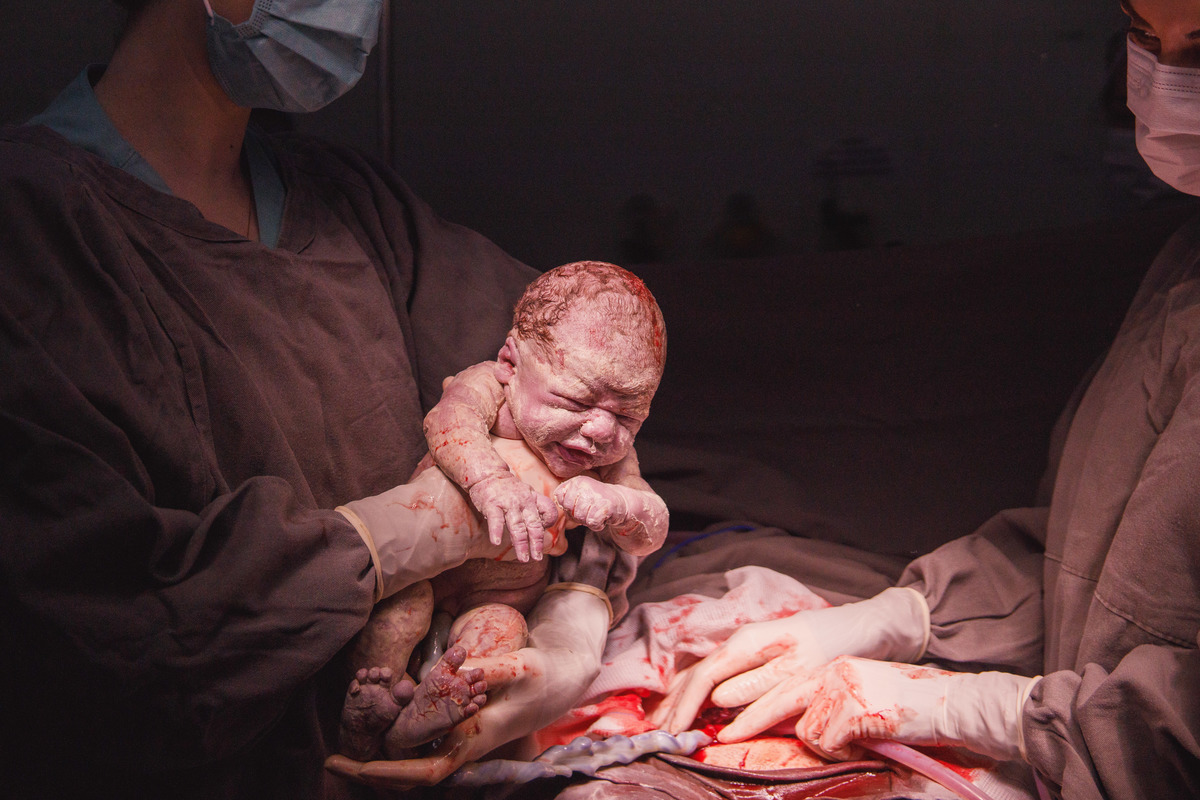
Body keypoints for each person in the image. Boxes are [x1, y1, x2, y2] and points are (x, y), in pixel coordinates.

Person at [0, 0, 610, 797]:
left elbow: (598, 377)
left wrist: (574, 619)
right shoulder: (30, 226)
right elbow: (99, 634)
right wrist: (402, 534)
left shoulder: (348, 202)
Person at [651, 1, 1200, 797]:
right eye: (1145, 34)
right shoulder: (1185, 275)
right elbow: (1082, 553)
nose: (1165, 82)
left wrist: (983, 711)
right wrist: (906, 618)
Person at [335, 260, 669, 763]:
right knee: (397, 619)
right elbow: (449, 421)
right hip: (422, 577)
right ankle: (372, 710)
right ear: (511, 363)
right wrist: (490, 481)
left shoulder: (612, 458)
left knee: (502, 635)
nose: (601, 431)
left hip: (502, 594)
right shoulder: (491, 387)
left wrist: (619, 503)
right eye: (574, 399)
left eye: (628, 414)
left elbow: (651, 527)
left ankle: (425, 717)